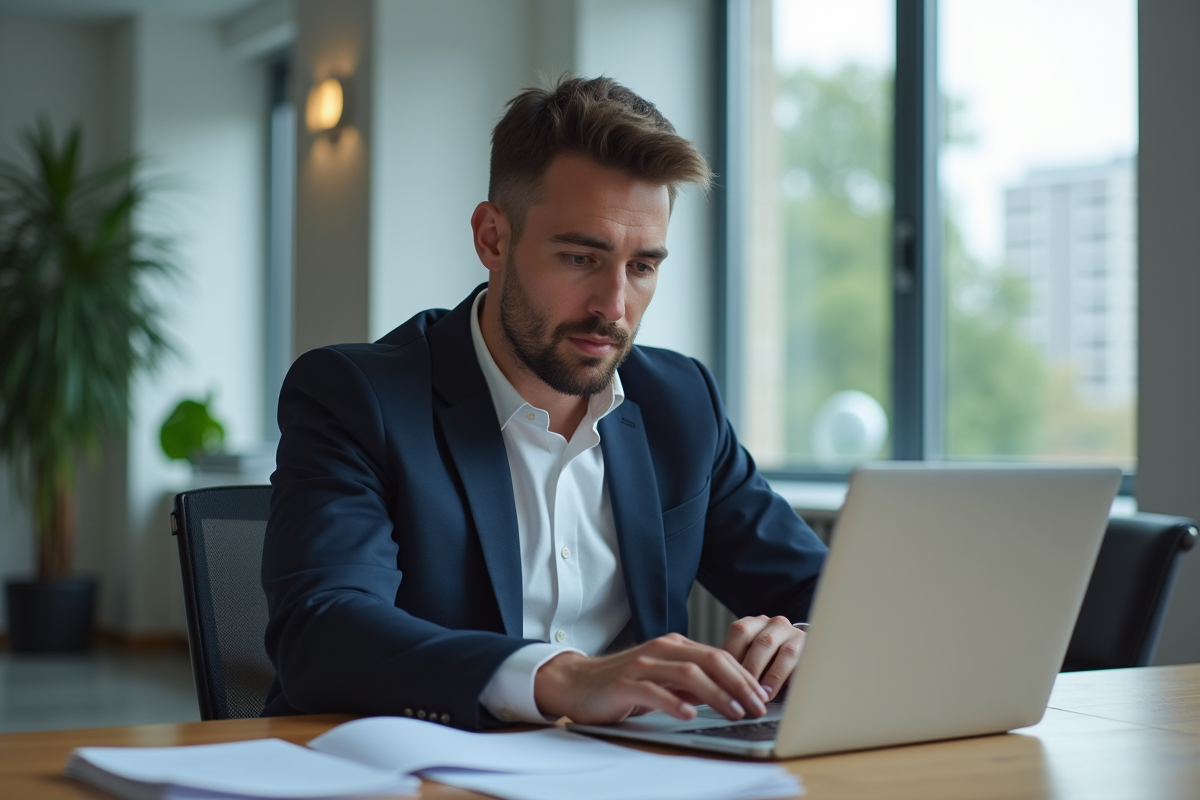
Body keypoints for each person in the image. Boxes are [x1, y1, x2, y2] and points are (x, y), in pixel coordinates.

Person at [262, 76, 827, 731]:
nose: (613, 308)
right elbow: (323, 630)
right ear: (492, 239)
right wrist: (557, 676)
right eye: (581, 257)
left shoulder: (681, 403)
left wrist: (813, 638)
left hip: (633, 774)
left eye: (642, 267)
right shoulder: (358, 397)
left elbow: (827, 588)